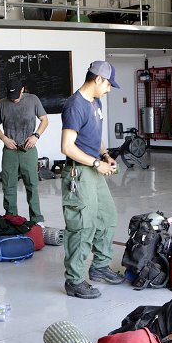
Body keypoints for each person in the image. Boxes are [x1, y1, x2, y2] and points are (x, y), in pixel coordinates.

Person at [59, 61, 126, 299]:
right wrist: (97, 163)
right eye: (108, 84)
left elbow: (94, 137)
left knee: (107, 217)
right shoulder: (75, 105)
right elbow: (67, 147)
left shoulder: (95, 102)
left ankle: (99, 267)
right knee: (82, 226)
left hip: (94, 170)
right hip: (79, 172)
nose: (109, 89)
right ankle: (75, 281)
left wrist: (106, 155)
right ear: (98, 79)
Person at [0, 77, 49, 224]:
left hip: (28, 150)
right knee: (8, 185)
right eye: (11, 97)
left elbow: (44, 120)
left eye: (16, 96)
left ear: (22, 89)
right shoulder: (2, 104)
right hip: (10, 151)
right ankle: (11, 218)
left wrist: (36, 136)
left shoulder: (33, 100)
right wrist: (4, 139)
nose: (14, 99)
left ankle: (37, 219)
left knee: (32, 185)